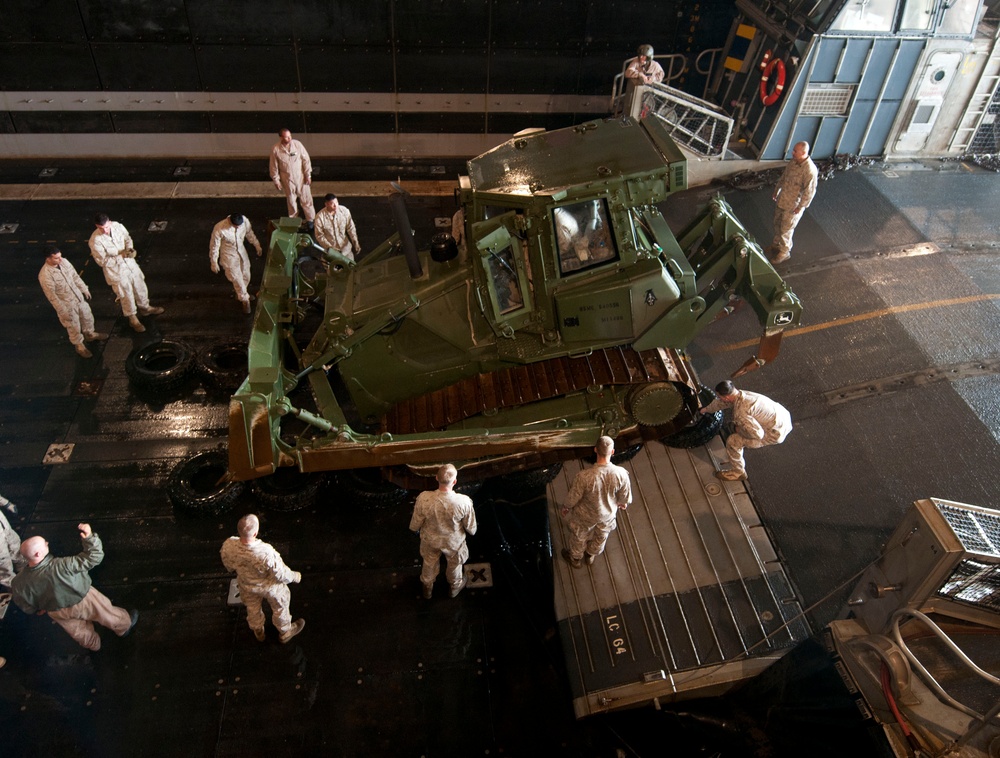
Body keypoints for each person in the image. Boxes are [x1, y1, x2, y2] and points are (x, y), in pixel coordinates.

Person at [11, 523, 138, 651]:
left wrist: (38, 609)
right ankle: (124, 626)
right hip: (84, 599)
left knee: (78, 631)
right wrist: (89, 537)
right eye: (45, 543)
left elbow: (24, 604)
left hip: (56, 611)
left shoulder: (18, 583)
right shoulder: (62, 565)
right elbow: (93, 557)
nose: (47, 543)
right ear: (38, 554)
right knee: (106, 612)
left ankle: (94, 645)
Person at [220, 514, 304, 644]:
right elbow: (281, 574)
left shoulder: (229, 545)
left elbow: (228, 565)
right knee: (280, 607)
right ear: (255, 533)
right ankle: (285, 632)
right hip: (270, 587)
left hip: (247, 585)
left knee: (252, 608)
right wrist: (295, 576)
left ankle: (258, 630)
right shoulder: (266, 552)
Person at [560, 436, 632, 568]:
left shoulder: (584, 476)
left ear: (595, 450)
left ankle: (576, 559)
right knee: (601, 536)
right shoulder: (621, 473)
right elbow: (624, 496)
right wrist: (622, 503)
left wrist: (566, 507)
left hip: (585, 515)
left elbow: (574, 496)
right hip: (608, 514)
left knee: (579, 535)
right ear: (612, 452)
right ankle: (590, 555)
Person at [409, 464, 477, 599]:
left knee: (429, 562)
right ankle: (454, 588)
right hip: (453, 542)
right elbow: (471, 529)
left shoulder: (424, 498)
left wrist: (416, 529)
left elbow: (414, 525)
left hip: (430, 540)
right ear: (455, 481)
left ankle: (427, 589)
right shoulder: (463, 502)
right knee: (455, 565)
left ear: (436, 478)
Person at [701, 380, 792, 481]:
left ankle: (738, 473)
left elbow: (757, 434)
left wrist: (738, 429)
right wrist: (705, 410)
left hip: (773, 433)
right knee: (741, 427)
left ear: (726, 397)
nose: (719, 398)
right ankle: (736, 455)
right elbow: (722, 403)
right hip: (783, 417)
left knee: (733, 441)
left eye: (720, 396)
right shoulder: (741, 394)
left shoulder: (740, 412)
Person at [88, 213, 164, 333]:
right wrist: (121, 255)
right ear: (97, 226)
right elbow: (102, 261)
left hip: (130, 265)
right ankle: (132, 318)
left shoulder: (118, 226)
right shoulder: (95, 241)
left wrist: (129, 249)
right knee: (126, 294)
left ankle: (145, 308)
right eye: (101, 228)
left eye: (107, 227)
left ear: (110, 222)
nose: (105, 230)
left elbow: (127, 238)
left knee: (140, 287)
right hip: (116, 271)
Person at [38, 245, 108, 358]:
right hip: (67, 305)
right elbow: (52, 297)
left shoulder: (64, 262)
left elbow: (75, 276)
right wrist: (62, 311)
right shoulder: (45, 275)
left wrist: (84, 289)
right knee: (73, 326)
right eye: (56, 258)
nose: (60, 260)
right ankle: (79, 346)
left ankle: (90, 334)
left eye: (60, 256)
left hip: (78, 298)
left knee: (87, 317)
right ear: (48, 258)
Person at [769, 141, 818, 264]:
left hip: (793, 206)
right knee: (777, 223)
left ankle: (784, 252)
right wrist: (776, 190)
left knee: (786, 229)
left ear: (804, 153)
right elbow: (784, 177)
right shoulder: (793, 162)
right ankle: (776, 245)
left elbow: (809, 192)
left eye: (795, 151)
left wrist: (800, 207)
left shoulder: (809, 170)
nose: (793, 152)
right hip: (783, 200)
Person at [209, 214, 263, 314]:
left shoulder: (244, 221)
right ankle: (245, 300)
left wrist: (257, 245)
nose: (238, 227)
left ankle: (242, 293)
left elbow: (250, 234)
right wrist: (214, 262)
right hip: (229, 256)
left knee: (246, 274)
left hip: (241, 253)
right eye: (235, 226)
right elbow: (214, 246)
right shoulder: (220, 228)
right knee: (237, 278)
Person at [269, 128, 315, 228]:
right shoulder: (276, 149)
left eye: (290, 136)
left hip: (301, 177)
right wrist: (276, 180)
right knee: (291, 201)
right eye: (286, 137)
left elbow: (306, 160)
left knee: (306, 199)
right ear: (281, 137)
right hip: (287, 179)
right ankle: (294, 221)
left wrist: (308, 175)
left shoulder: (297, 145)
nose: (289, 138)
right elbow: (273, 166)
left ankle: (310, 220)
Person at [313, 194, 361, 261]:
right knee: (333, 270)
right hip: (331, 252)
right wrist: (330, 248)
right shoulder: (320, 217)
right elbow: (319, 236)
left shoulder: (344, 211)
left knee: (351, 267)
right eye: (332, 203)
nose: (335, 205)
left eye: (336, 202)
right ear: (326, 204)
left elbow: (351, 228)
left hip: (345, 249)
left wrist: (355, 242)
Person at [0, 508, 24, 589]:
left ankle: (28, 574)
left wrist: (6, 503)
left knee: (17, 550)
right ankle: (18, 591)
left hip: (5, 528)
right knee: (4, 568)